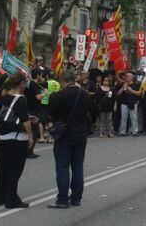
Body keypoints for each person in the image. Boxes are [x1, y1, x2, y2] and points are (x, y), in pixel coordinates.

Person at [48, 70, 91, 209]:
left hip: (64, 135)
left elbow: (51, 113)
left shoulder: (59, 95)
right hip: (80, 134)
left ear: (63, 81)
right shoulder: (84, 94)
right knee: (78, 166)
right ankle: (77, 198)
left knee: (62, 167)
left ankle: (62, 199)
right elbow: (93, 111)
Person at [0, 73, 33, 209]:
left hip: (4, 137)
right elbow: (25, 120)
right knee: (15, 169)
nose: (25, 85)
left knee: (3, 168)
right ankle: (12, 200)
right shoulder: (20, 99)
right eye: (25, 83)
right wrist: (30, 136)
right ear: (20, 83)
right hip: (17, 137)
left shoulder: (4, 97)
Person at [118, 73, 142, 137]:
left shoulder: (137, 84)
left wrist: (131, 90)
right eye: (126, 76)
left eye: (128, 76)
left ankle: (135, 131)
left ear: (132, 77)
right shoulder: (123, 84)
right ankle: (122, 131)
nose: (127, 77)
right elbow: (118, 93)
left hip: (133, 102)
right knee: (123, 118)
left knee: (134, 118)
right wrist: (123, 88)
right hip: (124, 103)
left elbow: (139, 93)